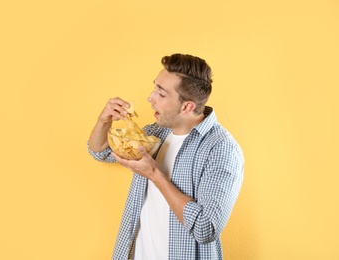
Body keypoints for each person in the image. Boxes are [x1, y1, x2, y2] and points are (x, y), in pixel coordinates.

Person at [88, 53, 244, 260]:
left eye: (161, 94)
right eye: (155, 88)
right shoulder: (156, 134)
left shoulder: (220, 148)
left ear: (187, 106)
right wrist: (103, 120)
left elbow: (205, 229)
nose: (150, 98)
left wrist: (154, 173)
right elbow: (100, 151)